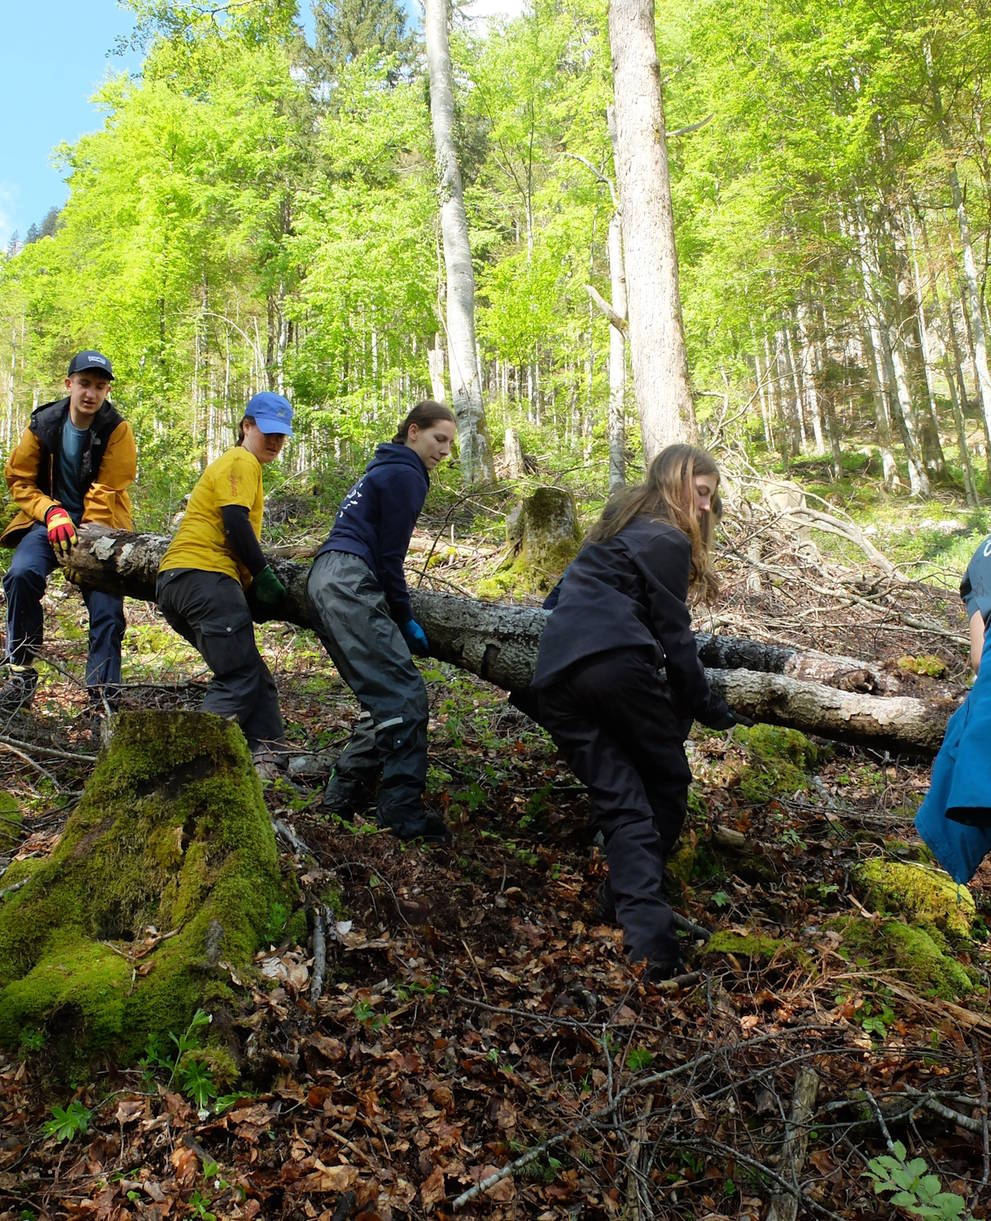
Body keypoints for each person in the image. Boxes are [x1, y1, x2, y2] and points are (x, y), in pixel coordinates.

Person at [530, 444, 746, 982]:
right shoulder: (667, 538)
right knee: (667, 785)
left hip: (553, 679)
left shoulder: (615, 526)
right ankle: (647, 941)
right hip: (615, 666)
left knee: (624, 801)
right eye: (701, 493)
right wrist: (709, 706)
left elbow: (554, 602)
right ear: (676, 481)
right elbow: (677, 638)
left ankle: (641, 934)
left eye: (710, 498)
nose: (705, 507)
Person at [306, 400, 457, 843]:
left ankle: (341, 799)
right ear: (413, 431)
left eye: (450, 444)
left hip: (323, 578)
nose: (445, 451)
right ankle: (401, 814)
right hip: (350, 581)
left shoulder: (383, 467)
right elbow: (390, 558)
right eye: (439, 439)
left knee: (383, 698)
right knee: (405, 696)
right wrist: (405, 618)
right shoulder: (408, 473)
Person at [156, 392, 293, 774]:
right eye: (268, 432)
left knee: (253, 674)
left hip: (178, 582)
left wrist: (247, 588)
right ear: (246, 426)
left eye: (281, 435)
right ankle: (189, 776)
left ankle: (269, 767)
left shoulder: (239, 463)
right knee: (238, 676)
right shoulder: (241, 460)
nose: (275, 441)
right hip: (205, 578)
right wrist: (262, 575)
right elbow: (234, 521)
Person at [0, 350, 135, 714]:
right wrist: (51, 511)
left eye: (99, 387)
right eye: (84, 384)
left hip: (99, 526)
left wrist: (87, 540)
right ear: (69, 384)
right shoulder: (44, 424)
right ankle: (21, 674)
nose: (91, 393)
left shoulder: (116, 429)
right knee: (21, 575)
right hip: (49, 521)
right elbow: (20, 480)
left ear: (107, 391)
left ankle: (102, 699)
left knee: (107, 608)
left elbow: (110, 486)